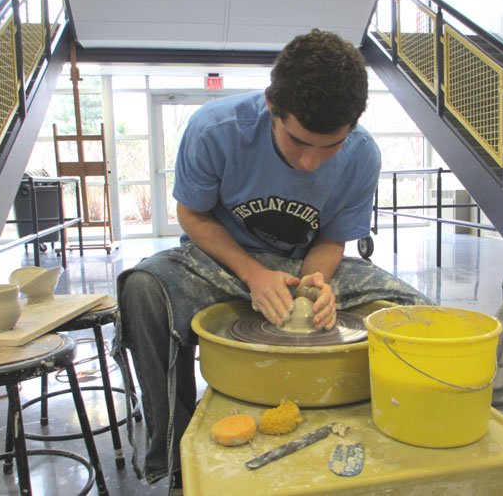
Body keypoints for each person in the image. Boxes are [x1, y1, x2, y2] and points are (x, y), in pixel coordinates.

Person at [116, 29, 431, 493]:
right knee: (142, 288)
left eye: (330, 146)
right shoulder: (215, 129)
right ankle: (179, 457)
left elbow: (332, 238)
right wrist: (253, 273)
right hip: (222, 260)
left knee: (414, 312)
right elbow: (193, 215)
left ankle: (396, 445)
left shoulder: (363, 155)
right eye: (298, 141)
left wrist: (316, 281)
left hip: (305, 260)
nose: (310, 162)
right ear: (271, 105)